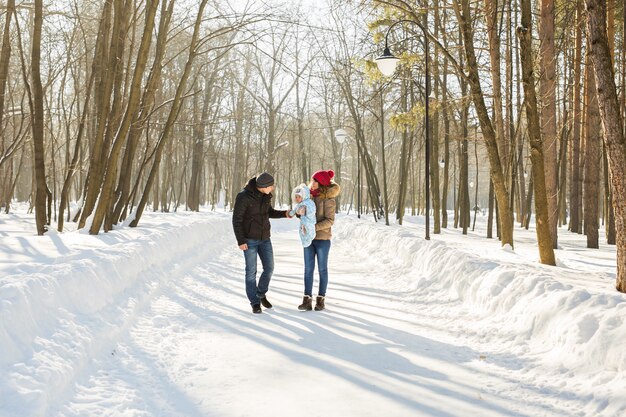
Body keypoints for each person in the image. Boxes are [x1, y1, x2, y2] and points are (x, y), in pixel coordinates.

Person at [232, 172, 290, 314]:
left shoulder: (265, 195)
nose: (273, 187)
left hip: (265, 238)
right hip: (249, 240)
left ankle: (261, 293)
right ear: (263, 186)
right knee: (251, 272)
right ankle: (255, 302)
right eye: (271, 185)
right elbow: (236, 220)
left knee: (269, 268)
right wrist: (241, 240)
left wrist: (285, 214)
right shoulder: (243, 197)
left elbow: (268, 212)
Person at [298, 169, 340, 312]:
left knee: (322, 269)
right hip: (308, 239)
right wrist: (300, 214)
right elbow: (304, 215)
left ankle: (321, 299)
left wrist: (313, 227)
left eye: (315, 180)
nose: (312, 183)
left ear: (321, 183)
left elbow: (330, 221)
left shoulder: (329, 200)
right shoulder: (307, 197)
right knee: (308, 269)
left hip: (322, 239)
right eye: (312, 180)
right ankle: (306, 299)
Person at [289, 183, 316, 248]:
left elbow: (312, 210)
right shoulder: (300, 204)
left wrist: (306, 211)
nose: (297, 198)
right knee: (302, 231)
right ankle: (305, 241)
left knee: (309, 229)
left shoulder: (309, 202)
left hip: (309, 220)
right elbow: (295, 210)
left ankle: (308, 239)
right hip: (303, 221)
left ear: (304, 196)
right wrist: (292, 213)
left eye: (299, 197)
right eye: (296, 197)